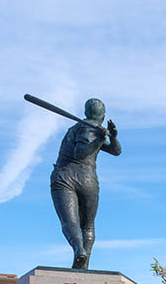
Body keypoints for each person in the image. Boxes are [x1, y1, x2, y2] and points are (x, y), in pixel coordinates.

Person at [50, 98, 121, 270]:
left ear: (86, 112)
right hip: (87, 178)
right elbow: (83, 152)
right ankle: (83, 259)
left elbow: (114, 150)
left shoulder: (81, 128)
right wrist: (101, 139)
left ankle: (79, 250)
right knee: (87, 225)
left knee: (70, 223)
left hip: (64, 176)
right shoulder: (90, 128)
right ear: (103, 116)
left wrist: (111, 137)